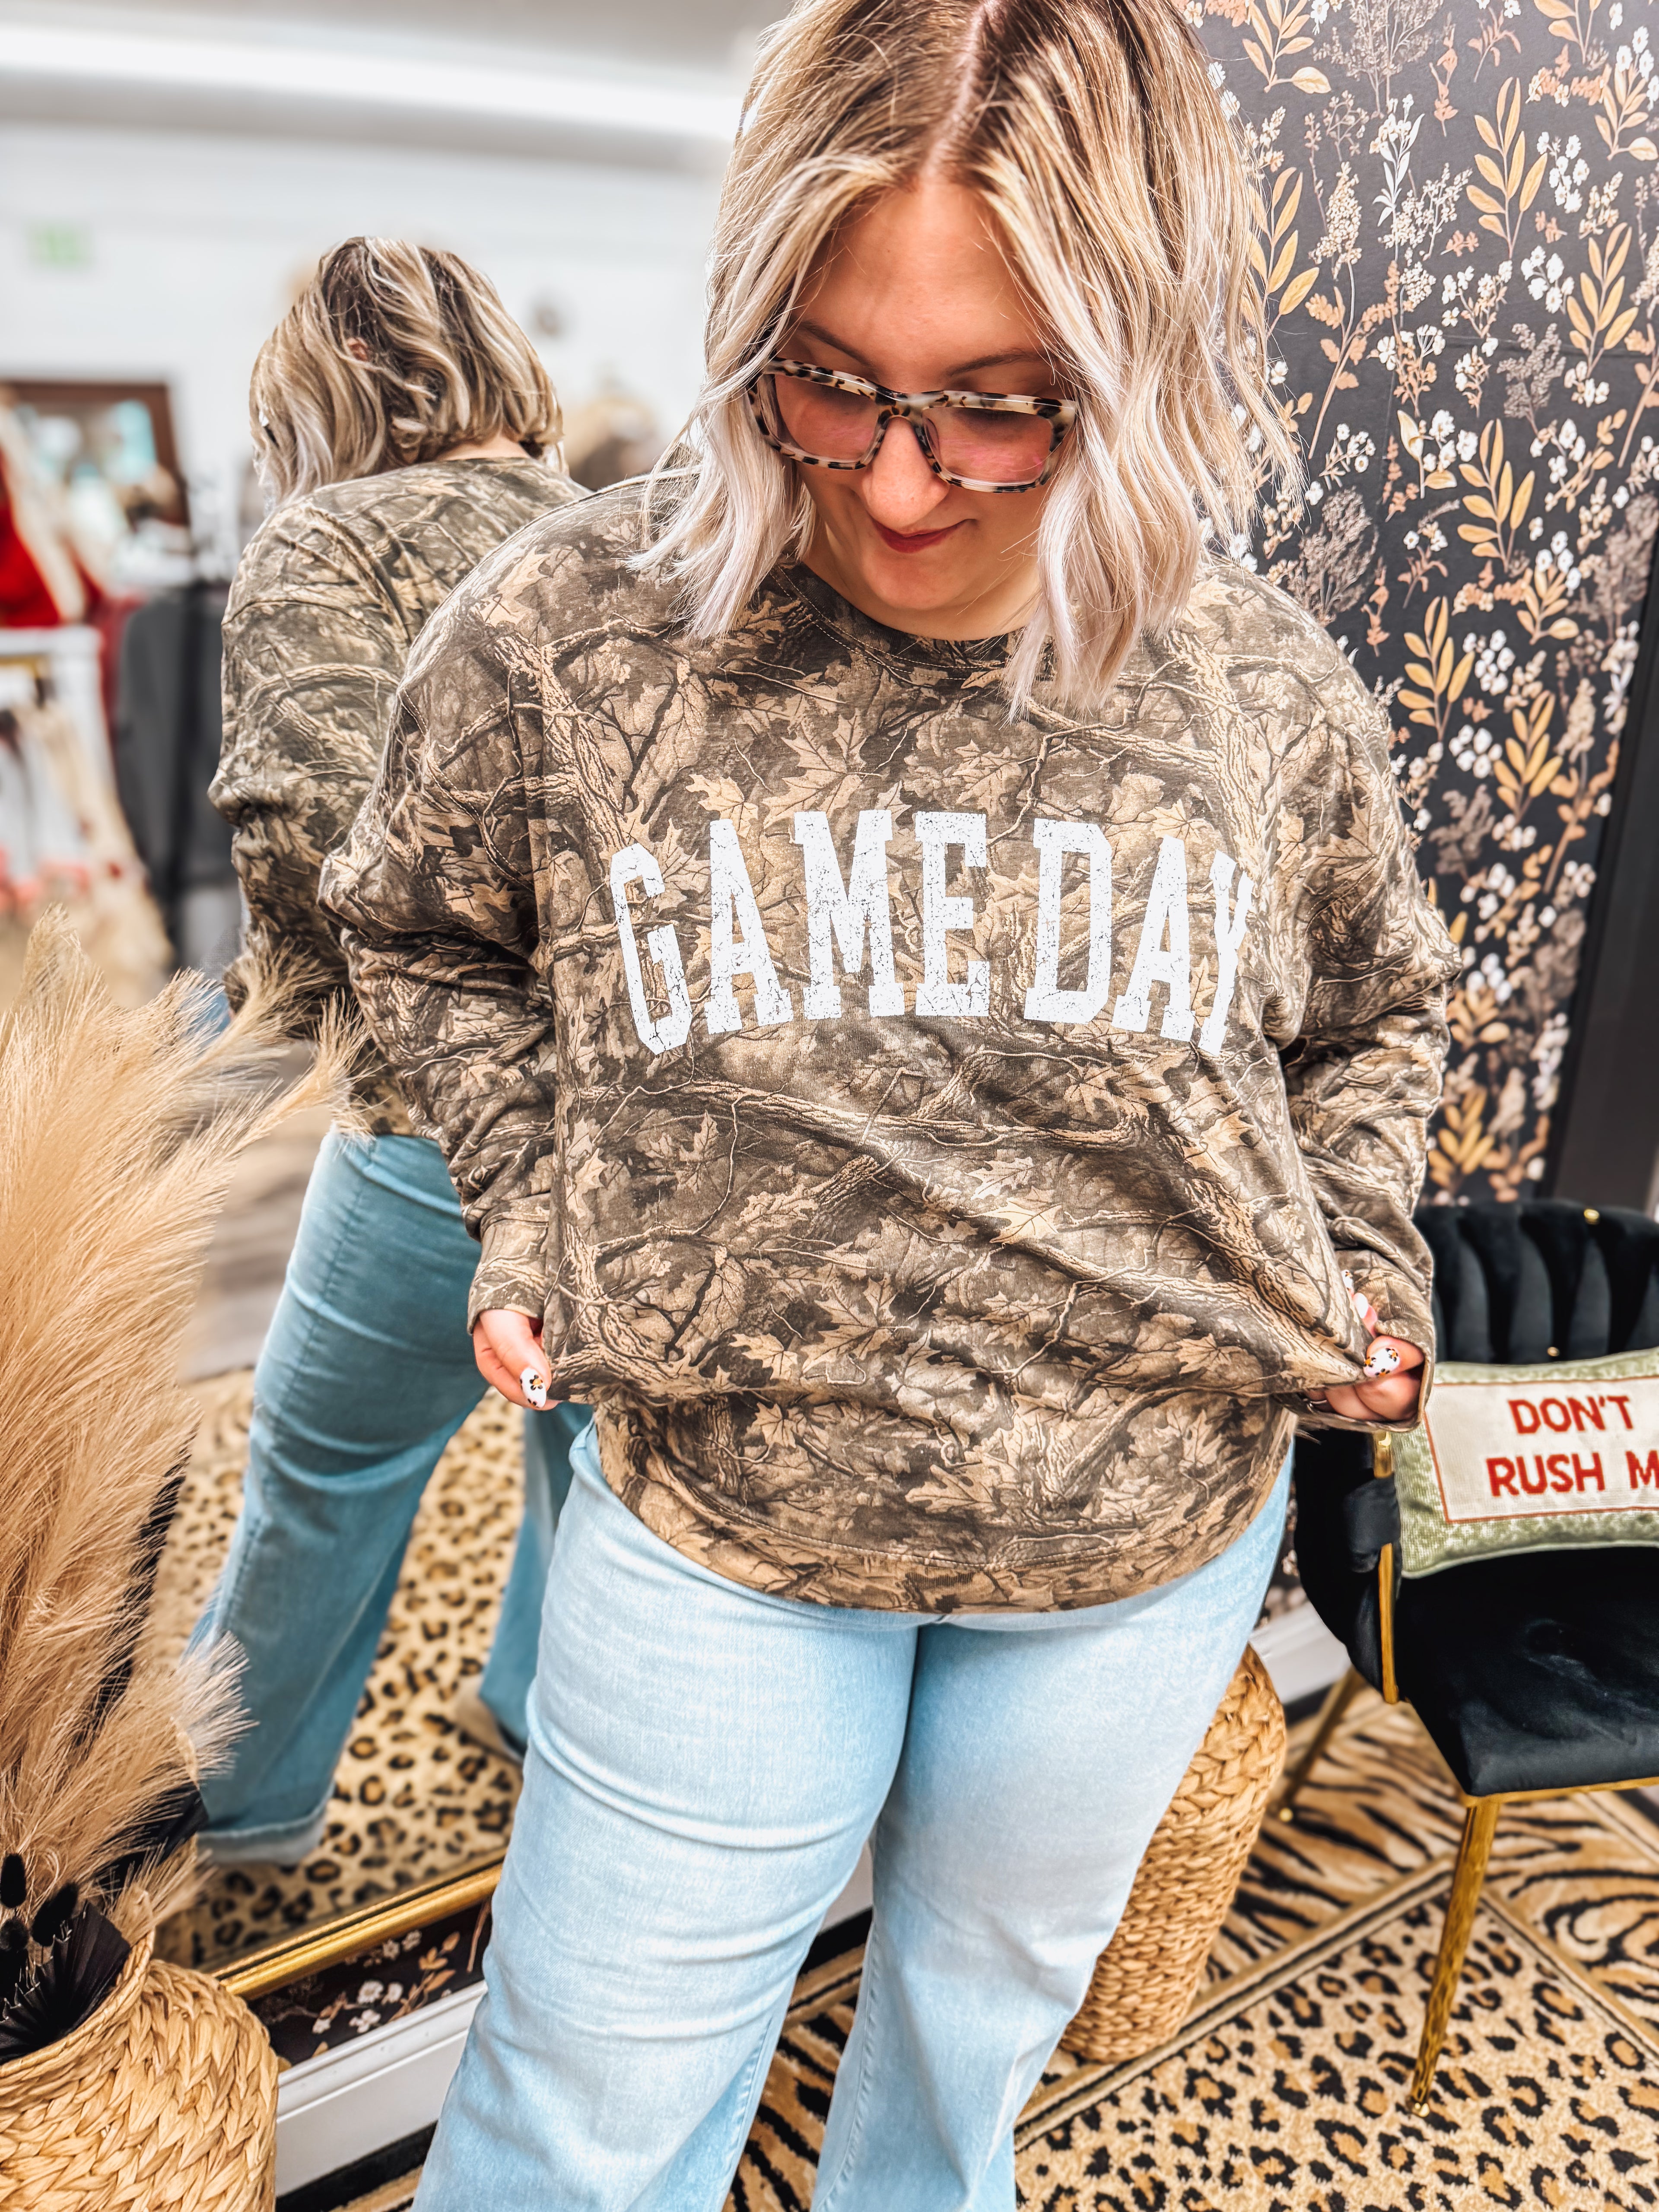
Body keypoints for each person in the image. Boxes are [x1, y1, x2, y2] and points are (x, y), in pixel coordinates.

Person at [324, 1, 1456, 2199]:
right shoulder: (572, 635)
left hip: (1139, 1541)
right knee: (580, 2114)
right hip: (722, 1532)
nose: (900, 480)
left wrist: (1366, 1244)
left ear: (1141, 378)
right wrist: (537, 1192)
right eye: (828, 379)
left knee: (963, 2072)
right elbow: (421, 928)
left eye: (1002, 410)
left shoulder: (1260, 686)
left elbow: (1373, 1013)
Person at [189, 238, 588, 1866]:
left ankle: (237, 1812)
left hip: (440, 1131)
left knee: (324, 1468)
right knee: (583, 1461)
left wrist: (277, 1002)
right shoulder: (621, 540)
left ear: (318, 388)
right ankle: (534, 1703)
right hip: (642, 1130)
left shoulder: (326, 542)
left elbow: (304, 843)